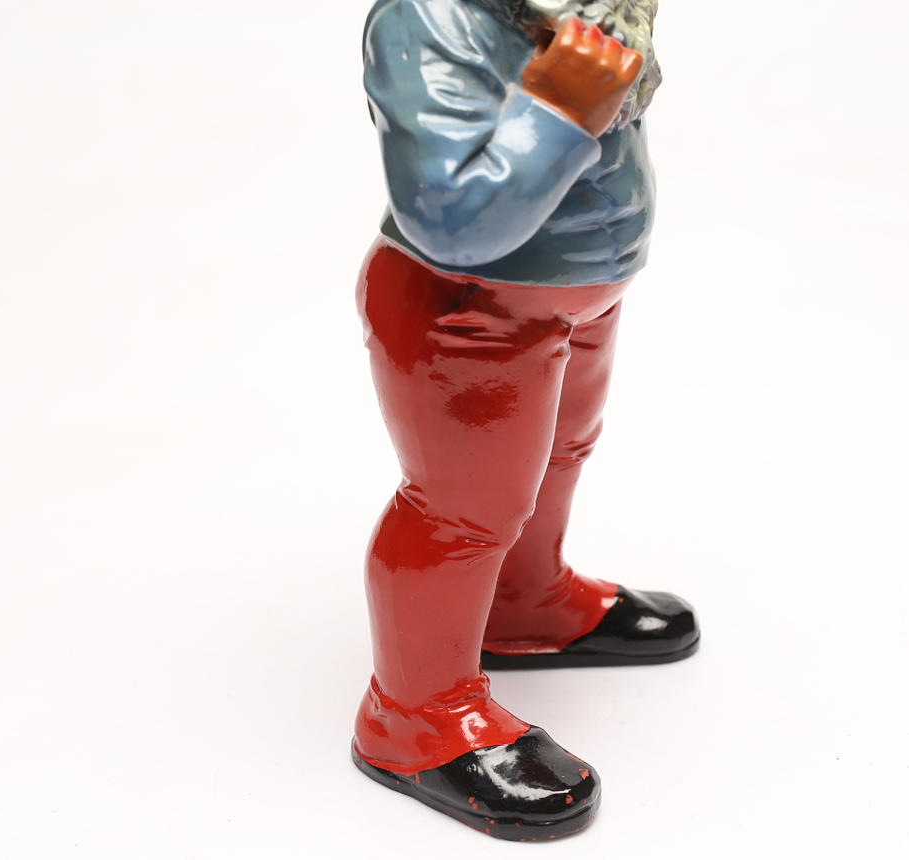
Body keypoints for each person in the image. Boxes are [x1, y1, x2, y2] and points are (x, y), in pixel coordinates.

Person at [351, 0, 698, 839]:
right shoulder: (428, 21)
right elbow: (446, 214)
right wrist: (562, 106)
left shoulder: (571, 11)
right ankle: (415, 712)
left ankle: (523, 600)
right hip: (467, 308)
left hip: (575, 297)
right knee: (461, 511)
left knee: (562, 451)